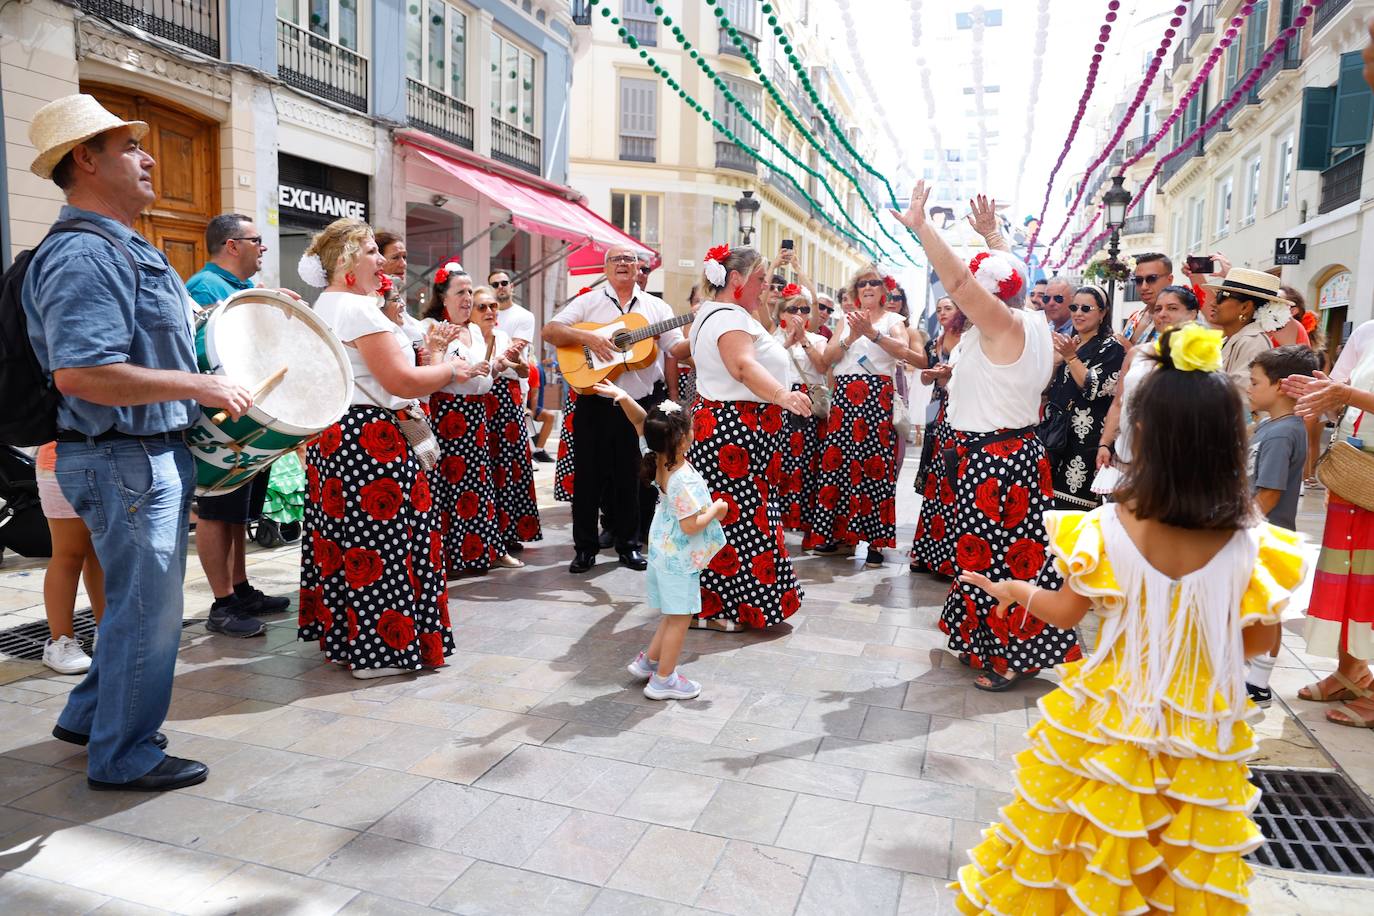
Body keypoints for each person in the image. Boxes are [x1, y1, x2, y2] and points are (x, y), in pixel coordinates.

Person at [952, 324, 1307, 914]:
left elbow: (1066, 611)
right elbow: (1258, 641)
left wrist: (1013, 588)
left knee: (1082, 846)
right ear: (1229, 439)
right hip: (1200, 729)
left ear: (1141, 433)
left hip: (1110, 714)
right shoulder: (1255, 546)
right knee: (1175, 861)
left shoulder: (1103, 530)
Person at [23, 94, 255, 790]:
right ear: (86, 160)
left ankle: (89, 716)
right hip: (124, 455)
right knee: (148, 615)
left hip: (137, 454)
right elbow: (84, 373)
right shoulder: (86, 255)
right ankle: (123, 754)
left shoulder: (118, 246)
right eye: (129, 147)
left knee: (134, 606)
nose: (149, 156)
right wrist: (202, 388)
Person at [892, 181, 1077, 691]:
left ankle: (1007, 655)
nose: (963, 297)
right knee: (1001, 552)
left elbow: (958, 281)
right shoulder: (1031, 320)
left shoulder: (1003, 326)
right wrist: (995, 237)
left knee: (996, 556)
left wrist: (923, 227)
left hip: (996, 459)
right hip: (1004, 454)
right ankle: (990, 644)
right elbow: (1009, 279)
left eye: (977, 289)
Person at [297, 218, 459, 679]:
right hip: (372, 440)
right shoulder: (358, 309)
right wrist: (452, 372)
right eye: (371, 251)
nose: (381, 261)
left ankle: (352, 643)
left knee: (349, 543)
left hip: (338, 435)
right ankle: (378, 653)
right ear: (348, 263)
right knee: (381, 546)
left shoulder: (325, 305)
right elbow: (400, 382)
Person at [542, 247, 688, 573]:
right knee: (588, 479)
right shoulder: (588, 301)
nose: (622, 264)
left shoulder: (656, 308)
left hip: (636, 406)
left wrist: (706, 329)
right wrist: (587, 338)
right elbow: (550, 331)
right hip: (594, 400)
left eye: (628, 259)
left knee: (633, 477)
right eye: (616, 260)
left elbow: (676, 349)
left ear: (638, 268)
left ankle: (629, 545)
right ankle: (584, 548)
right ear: (606, 267)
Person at [687, 245, 810, 630]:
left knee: (740, 519)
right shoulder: (727, 319)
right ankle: (720, 609)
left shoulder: (729, 314)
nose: (767, 287)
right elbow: (742, 366)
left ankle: (722, 606)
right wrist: (782, 396)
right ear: (736, 280)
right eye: (760, 279)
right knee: (736, 521)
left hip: (735, 429)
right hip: (735, 432)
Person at [184, 213, 292, 638]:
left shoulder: (246, 289)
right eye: (256, 240)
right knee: (216, 511)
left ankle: (241, 588)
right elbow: (198, 353)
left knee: (239, 514)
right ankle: (222, 603)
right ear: (231, 245)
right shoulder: (204, 288)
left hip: (252, 418)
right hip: (221, 425)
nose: (263, 247)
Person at [601, 382, 727, 699]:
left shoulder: (656, 455)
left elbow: (640, 422)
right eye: (690, 429)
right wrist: (716, 510)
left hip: (663, 548)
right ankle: (664, 680)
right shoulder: (681, 476)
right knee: (680, 618)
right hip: (678, 555)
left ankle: (649, 662)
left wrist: (625, 396)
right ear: (681, 438)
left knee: (672, 614)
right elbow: (691, 526)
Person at [1283, 320, 1374, 728]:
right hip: (1355, 469)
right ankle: (1350, 670)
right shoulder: (1367, 331)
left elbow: (1351, 392)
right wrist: (1324, 394)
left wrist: (1346, 394)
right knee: (1349, 574)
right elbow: (1339, 394)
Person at [813, 267, 922, 567]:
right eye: (863, 283)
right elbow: (826, 360)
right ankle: (837, 534)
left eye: (875, 283)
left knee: (876, 465)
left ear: (884, 290)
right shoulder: (845, 321)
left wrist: (873, 334)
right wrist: (850, 337)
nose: (869, 287)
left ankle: (875, 541)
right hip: (846, 397)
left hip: (876, 396)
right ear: (856, 291)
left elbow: (904, 351)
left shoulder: (893, 320)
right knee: (840, 463)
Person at [424, 269, 516, 575]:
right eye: (460, 292)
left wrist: (496, 368)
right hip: (448, 414)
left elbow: (482, 377)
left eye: (468, 292)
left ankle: (485, 550)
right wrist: (458, 369)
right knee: (450, 487)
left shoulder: (473, 331)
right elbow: (431, 374)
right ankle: (452, 557)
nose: (467, 299)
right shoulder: (432, 328)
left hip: (477, 414)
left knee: (479, 485)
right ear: (443, 296)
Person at [1243, 345, 1319, 707]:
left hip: (1265, 536)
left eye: (1255, 382)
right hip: (1264, 534)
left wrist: (1243, 530)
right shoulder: (1273, 427)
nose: (1249, 388)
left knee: (1267, 611)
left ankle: (1257, 682)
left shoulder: (1280, 434)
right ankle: (1249, 672)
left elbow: (1270, 493)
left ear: (1281, 387)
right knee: (1257, 607)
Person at [1097, 285, 1202, 475]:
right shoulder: (1137, 353)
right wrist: (1105, 443)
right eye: (1158, 309)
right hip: (1124, 458)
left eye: (1172, 308)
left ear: (1192, 314)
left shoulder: (1200, 357)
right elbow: (1119, 402)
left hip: (1170, 462)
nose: (1162, 314)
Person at [1044, 286, 1125, 509]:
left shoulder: (1112, 348)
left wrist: (1070, 358)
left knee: (1075, 513)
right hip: (1057, 438)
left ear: (1102, 313)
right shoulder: (1072, 343)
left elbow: (1093, 387)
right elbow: (1047, 388)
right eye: (1074, 307)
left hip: (1086, 443)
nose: (1078, 313)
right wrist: (1057, 360)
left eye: (1086, 308)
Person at [483, 273, 542, 555]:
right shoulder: (477, 327)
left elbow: (515, 356)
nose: (500, 288)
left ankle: (512, 530)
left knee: (511, 464)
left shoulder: (522, 317)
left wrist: (495, 361)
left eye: (504, 283)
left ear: (512, 286)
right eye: (495, 285)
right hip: (482, 395)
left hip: (508, 394)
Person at [36, 440, 104, 674]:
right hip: (60, 463)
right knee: (69, 554)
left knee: (100, 553)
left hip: (109, 461)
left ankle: (106, 629)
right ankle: (60, 642)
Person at [910, 296, 964, 577]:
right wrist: (932, 375)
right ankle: (926, 550)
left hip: (960, 411)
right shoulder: (935, 342)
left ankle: (947, 554)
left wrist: (948, 376)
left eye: (948, 308)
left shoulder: (969, 339)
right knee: (933, 475)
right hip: (936, 409)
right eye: (939, 309)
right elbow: (922, 376)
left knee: (950, 479)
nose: (942, 313)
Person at [773, 285, 829, 544]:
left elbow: (822, 366)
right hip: (781, 403)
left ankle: (808, 526)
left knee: (808, 466)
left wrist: (804, 339)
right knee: (781, 464)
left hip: (809, 405)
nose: (798, 313)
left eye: (804, 309)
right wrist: (787, 340)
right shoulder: (773, 338)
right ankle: (779, 525)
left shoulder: (818, 339)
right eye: (792, 308)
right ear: (782, 312)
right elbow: (769, 365)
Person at [1203, 267, 1283, 412]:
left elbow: (1242, 399)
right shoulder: (1232, 340)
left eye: (1222, 296)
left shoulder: (1254, 342)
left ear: (1245, 307)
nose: (1213, 303)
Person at [1120, 251, 1174, 347]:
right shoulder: (1134, 318)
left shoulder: (1178, 320)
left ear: (1169, 280)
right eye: (1138, 280)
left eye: (1151, 279)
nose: (1144, 287)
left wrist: (1130, 351)